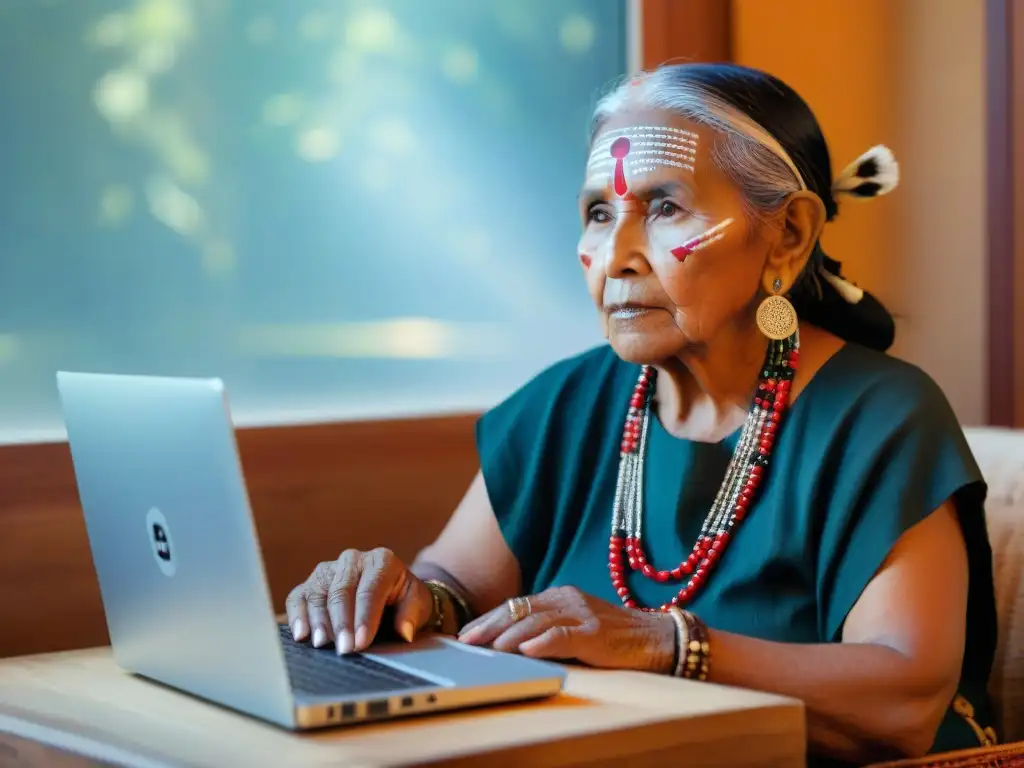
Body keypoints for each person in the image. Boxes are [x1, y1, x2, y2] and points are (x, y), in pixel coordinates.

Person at [285, 63, 998, 766]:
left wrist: (661, 644)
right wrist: (401, 596)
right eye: (599, 213)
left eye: (664, 208)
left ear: (787, 234)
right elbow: (458, 585)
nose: (616, 257)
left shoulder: (881, 419)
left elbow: (903, 702)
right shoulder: (570, 403)